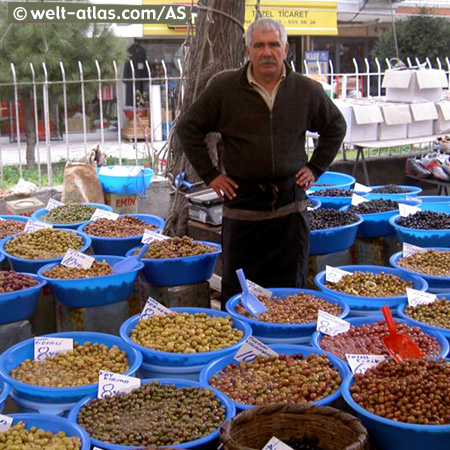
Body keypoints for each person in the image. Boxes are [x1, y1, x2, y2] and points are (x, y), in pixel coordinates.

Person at [177, 18, 346, 306]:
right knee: (240, 296)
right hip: (243, 212)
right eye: (259, 45)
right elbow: (188, 128)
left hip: (289, 212)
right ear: (248, 51)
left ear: (286, 49)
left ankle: (286, 349)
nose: (266, 52)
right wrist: (211, 174)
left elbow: (335, 126)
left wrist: (315, 167)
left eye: (273, 45)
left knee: (289, 298)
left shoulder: (306, 91)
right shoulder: (224, 88)